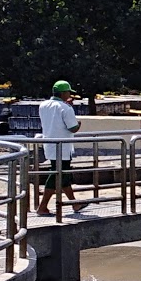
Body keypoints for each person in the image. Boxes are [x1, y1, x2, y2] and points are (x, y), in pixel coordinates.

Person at [36, 80, 85, 215]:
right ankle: (42, 206)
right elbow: (73, 128)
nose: (69, 95)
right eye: (68, 92)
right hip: (63, 147)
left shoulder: (44, 105)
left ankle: (75, 204)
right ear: (63, 93)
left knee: (62, 175)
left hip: (49, 144)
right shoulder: (65, 108)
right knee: (57, 175)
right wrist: (79, 123)